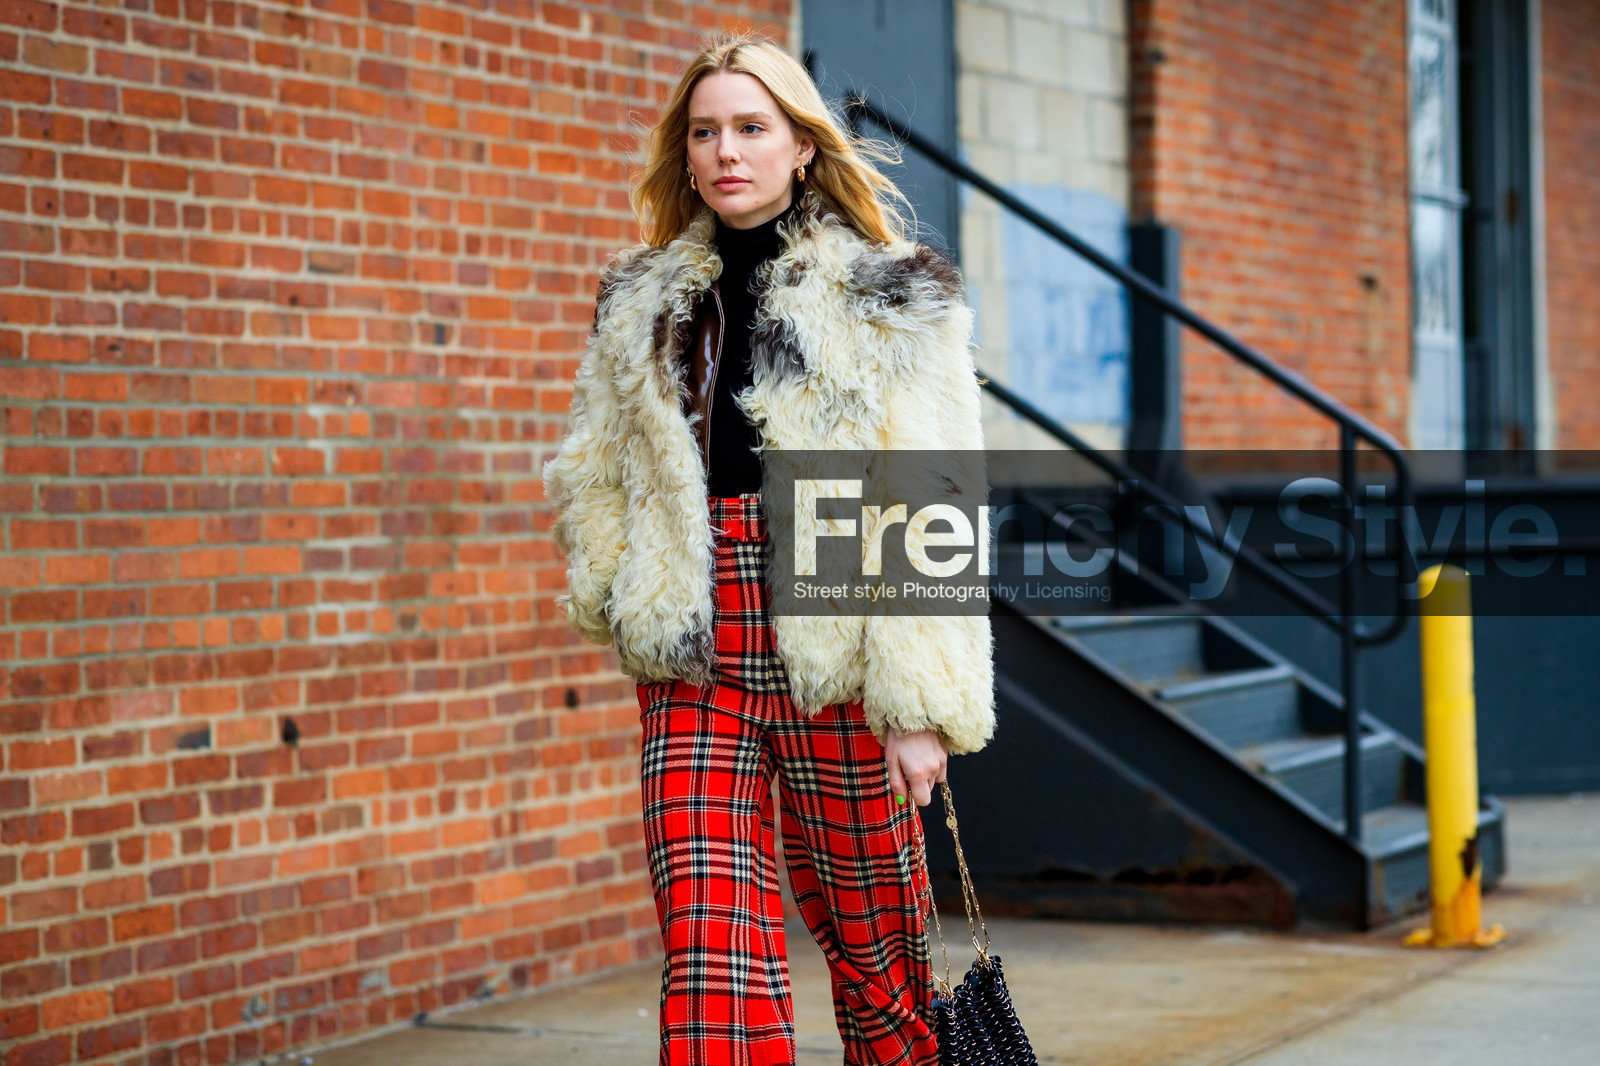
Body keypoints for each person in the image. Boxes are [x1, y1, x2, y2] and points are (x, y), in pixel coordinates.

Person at [543, 29, 994, 1066]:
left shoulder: (891, 294)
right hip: (697, 649)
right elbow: (598, 466)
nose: (724, 151)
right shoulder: (641, 300)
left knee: (880, 956)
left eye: (751, 127)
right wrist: (624, 590)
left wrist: (919, 703)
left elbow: (932, 500)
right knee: (709, 951)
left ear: (802, 146)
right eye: (704, 132)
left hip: (833, 627)